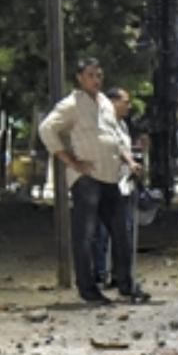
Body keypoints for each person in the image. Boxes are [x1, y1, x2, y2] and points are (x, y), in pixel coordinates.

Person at [39, 58, 147, 305]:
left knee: (122, 232)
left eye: (99, 75)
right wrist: (71, 162)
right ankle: (88, 289)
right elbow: (47, 129)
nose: (96, 80)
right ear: (79, 77)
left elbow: (115, 138)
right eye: (90, 75)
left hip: (111, 178)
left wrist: (130, 161)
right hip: (87, 179)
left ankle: (126, 285)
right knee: (85, 235)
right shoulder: (71, 105)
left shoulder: (106, 103)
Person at [91, 87, 137, 288]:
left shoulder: (123, 125)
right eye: (125, 101)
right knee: (100, 232)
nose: (129, 106)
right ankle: (99, 274)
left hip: (123, 185)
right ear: (112, 102)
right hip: (103, 183)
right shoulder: (99, 122)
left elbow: (124, 148)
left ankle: (120, 275)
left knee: (123, 233)